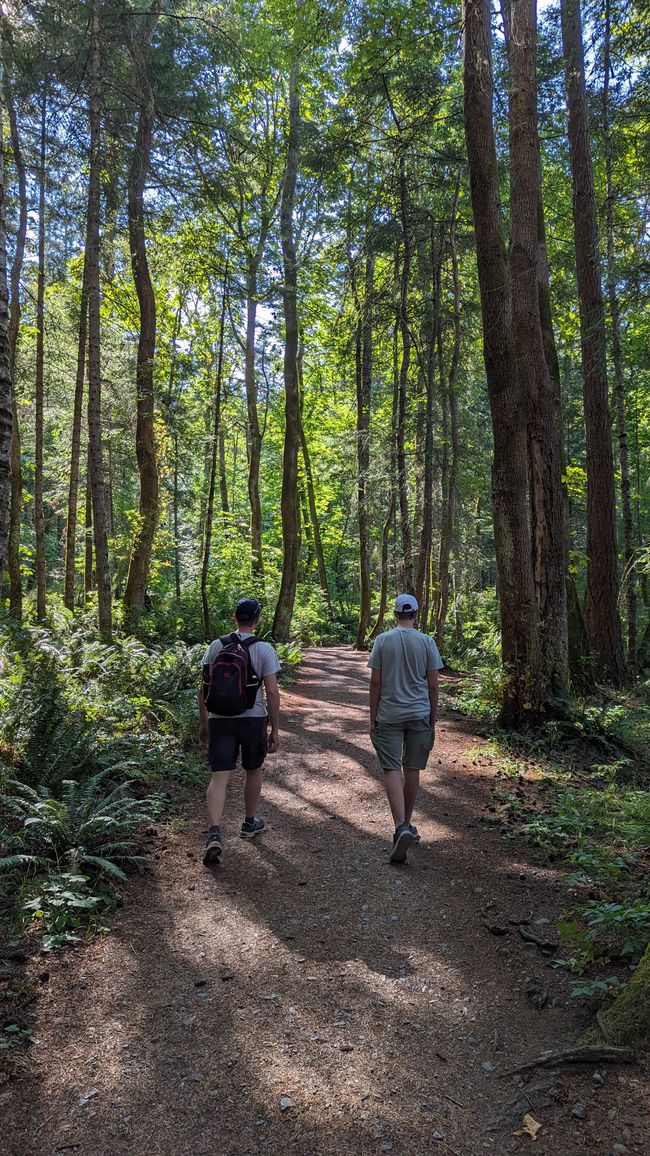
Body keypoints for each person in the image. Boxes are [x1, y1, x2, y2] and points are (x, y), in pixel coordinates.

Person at [198, 597, 281, 866]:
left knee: (219, 777)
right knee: (253, 770)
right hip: (252, 719)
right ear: (256, 620)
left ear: (234, 617)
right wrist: (275, 729)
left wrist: (204, 722)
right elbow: (271, 691)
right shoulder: (263, 649)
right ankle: (249, 821)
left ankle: (214, 832)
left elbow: (204, 688)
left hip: (219, 718)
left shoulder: (216, 646)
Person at [368, 593, 443, 864]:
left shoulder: (382, 641)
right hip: (419, 714)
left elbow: (375, 683)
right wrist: (432, 718)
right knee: (412, 769)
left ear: (395, 613)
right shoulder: (426, 642)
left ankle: (401, 826)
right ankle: (407, 824)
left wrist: (372, 715)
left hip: (388, 715)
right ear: (416, 613)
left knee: (391, 768)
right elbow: (433, 684)